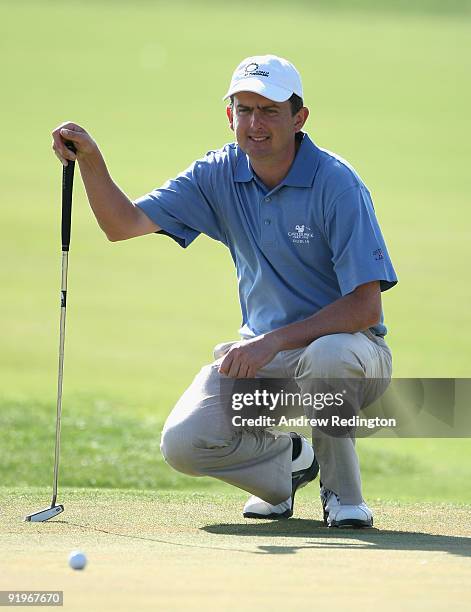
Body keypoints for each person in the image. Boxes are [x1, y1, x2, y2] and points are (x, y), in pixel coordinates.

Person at [52, 54, 397, 528]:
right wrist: (92, 161)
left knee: (329, 355)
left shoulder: (336, 183)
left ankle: (344, 499)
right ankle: (286, 467)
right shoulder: (218, 174)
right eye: (244, 109)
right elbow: (122, 224)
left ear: (299, 119)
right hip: (265, 362)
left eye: (270, 111)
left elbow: (365, 305)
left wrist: (271, 340)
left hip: (354, 357)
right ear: (230, 115)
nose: (255, 123)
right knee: (184, 442)